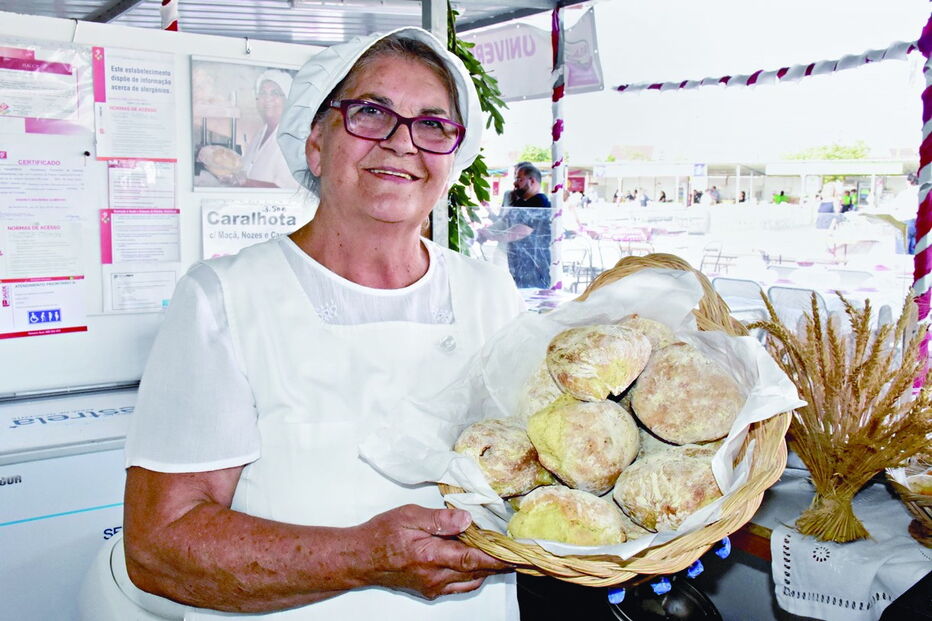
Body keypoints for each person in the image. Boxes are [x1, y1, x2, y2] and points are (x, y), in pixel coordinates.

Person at [79, 28, 523, 621]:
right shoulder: (227, 298)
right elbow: (158, 548)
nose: (402, 143)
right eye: (371, 112)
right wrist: (361, 556)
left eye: (433, 124)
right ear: (316, 143)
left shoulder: (490, 293)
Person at [499, 163, 552, 288]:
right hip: (517, 268)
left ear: (532, 180)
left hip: (534, 271)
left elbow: (521, 230)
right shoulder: (520, 202)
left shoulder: (540, 202)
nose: (515, 183)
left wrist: (494, 236)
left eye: (519, 179)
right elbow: (503, 222)